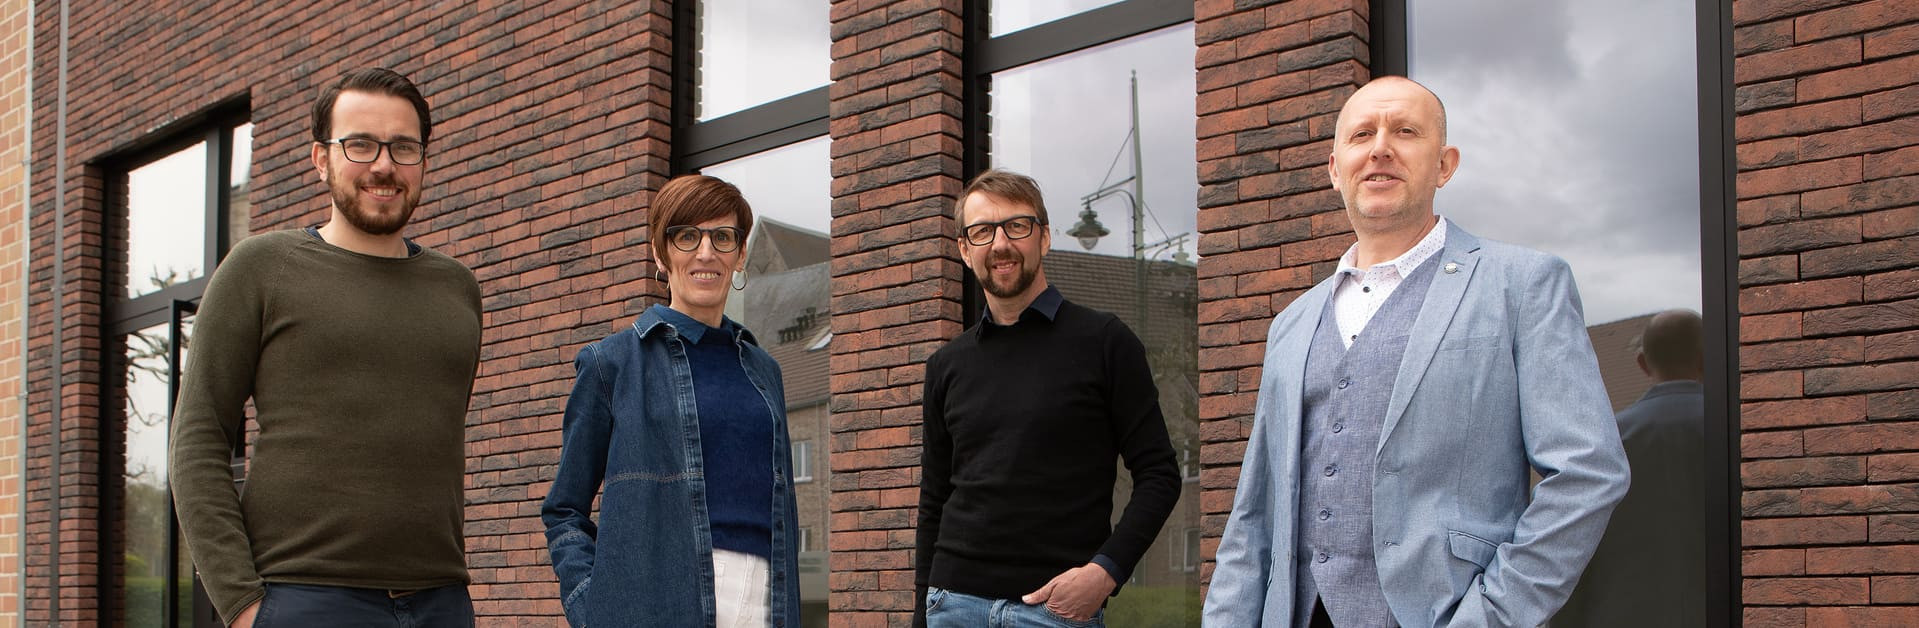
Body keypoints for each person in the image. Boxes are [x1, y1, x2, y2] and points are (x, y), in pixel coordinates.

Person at [1203, 76, 1630, 628]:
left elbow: (1587, 472)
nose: (1380, 148)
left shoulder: (1522, 285)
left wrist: (1491, 616)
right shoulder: (1291, 324)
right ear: (1335, 169)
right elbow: (1253, 516)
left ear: (1444, 165)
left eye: (1405, 131)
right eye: (1362, 135)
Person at [170, 67, 481, 627]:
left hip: (441, 600)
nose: (383, 165)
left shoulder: (457, 288)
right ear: (321, 159)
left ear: (422, 161)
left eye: (403, 147)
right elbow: (197, 439)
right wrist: (242, 606)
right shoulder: (261, 268)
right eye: (360, 144)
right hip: (303, 597)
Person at [916, 168, 1182, 628]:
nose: (1000, 244)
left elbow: (1160, 474)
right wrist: (921, 615)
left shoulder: (1105, 342)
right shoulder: (946, 365)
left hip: (1055, 611)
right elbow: (934, 499)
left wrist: (1105, 573)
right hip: (953, 606)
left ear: (1044, 237)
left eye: (1016, 226)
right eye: (982, 231)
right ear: (964, 249)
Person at [542, 174, 801, 628]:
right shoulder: (612, 364)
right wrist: (593, 607)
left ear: (741, 254)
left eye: (723, 238)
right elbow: (564, 509)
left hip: (765, 601)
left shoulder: (764, 371)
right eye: (687, 236)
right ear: (660, 254)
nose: (706, 253)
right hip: (658, 606)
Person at [1557, 309, 1708, 627]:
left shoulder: (1603, 443)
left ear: (1642, 363)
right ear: (1707, 358)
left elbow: (1572, 548)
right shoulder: (1746, 435)